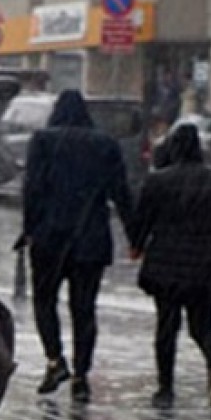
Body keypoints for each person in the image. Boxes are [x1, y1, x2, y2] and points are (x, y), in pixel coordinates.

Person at [22, 90, 134, 404]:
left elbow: (32, 189)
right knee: (84, 309)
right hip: (91, 238)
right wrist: (135, 236)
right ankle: (82, 375)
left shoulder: (43, 141)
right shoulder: (105, 145)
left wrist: (30, 229)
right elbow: (121, 193)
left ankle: (55, 359)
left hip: (50, 238)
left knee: (44, 300)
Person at [128, 124, 211, 408]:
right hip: (207, 263)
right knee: (204, 326)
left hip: (167, 264)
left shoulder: (158, 181)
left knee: (167, 325)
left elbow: (143, 219)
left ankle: (165, 389)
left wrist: (136, 246)